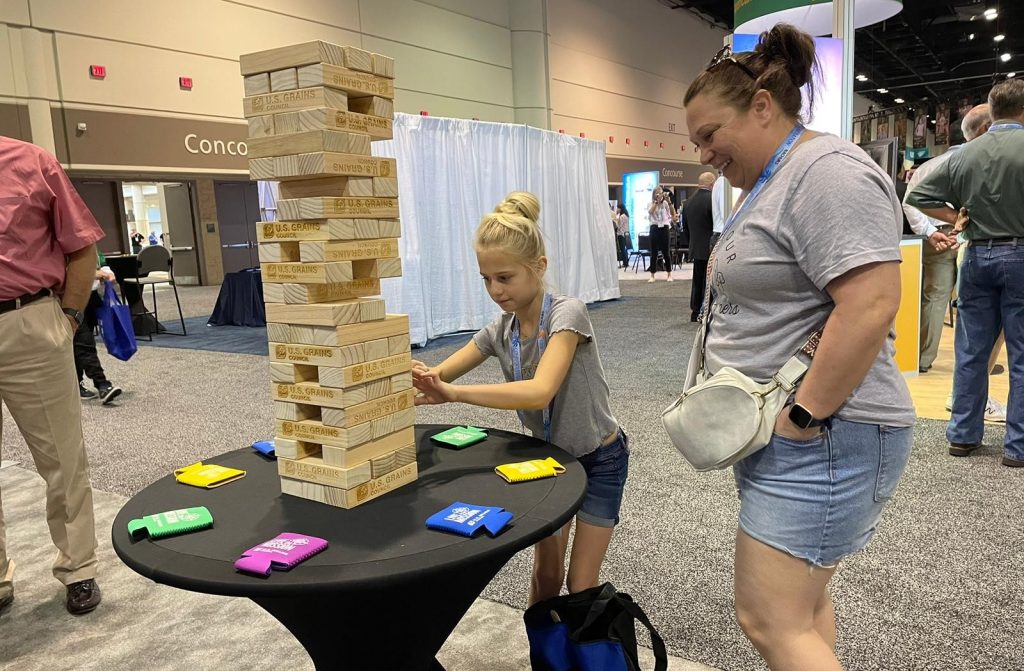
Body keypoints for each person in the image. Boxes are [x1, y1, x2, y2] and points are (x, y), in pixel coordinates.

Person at [683, 25, 914, 669]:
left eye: (710, 134)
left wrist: (804, 416)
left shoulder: (825, 173)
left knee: (769, 620)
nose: (704, 154)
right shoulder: (777, 178)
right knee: (803, 611)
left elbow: (870, 303)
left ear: (761, 107)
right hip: (801, 432)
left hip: (826, 432)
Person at [412, 191, 629, 605]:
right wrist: (400, 376)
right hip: (549, 461)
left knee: (581, 585)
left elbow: (539, 390)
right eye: (486, 279)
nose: (495, 290)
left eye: (505, 278)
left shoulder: (568, 313)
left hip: (600, 459)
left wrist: (453, 394)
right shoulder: (501, 330)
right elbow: (438, 374)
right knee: (546, 575)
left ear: (539, 267)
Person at [0, 136, 104, 616]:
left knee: (61, 456)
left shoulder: (30, 161)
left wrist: (68, 319)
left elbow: (82, 248)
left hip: (29, 323)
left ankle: (78, 568)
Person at [905, 79, 1024, 467]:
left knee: (971, 350)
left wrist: (956, 218)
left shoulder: (963, 154)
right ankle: (1017, 447)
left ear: (993, 110)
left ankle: (962, 436)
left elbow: (917, 196)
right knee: (1021, 355)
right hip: (1020, 255)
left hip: (975, 257)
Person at [903, 105, 993, 375]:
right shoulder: (980, 161)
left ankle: (923, 359)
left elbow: (911, 201)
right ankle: (975, 364)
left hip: (939, 238)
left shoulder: (931, 165)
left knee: (935, 299)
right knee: (976, 302)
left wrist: (930, 231)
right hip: (976, 238)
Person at [74, 253, 124, 405]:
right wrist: (95, 273)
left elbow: (99, 259)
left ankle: (76, 384)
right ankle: (102, 383)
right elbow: (65, 270)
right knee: (84, 342)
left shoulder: (89, 241)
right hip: (71, 297)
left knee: (79, 342)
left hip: (90, 296)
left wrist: (106, 270)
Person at [684, 172, 716, 322]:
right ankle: (706, 311)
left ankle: (695, 310)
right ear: (712, 184)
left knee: (697, 280)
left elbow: (685, 228)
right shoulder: (712, 200)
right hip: (710, 247)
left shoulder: (688, 202)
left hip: (695, 247)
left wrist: (691, 243)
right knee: (709, 281)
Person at [646, 187, 675, 282]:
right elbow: (650, 212)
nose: (659, 195)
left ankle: (669, 274)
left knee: (666, 252)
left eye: (661, 193)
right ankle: (652, 275)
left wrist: (669, 201)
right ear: (654, 194)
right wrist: (656, 202)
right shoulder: (650, 203)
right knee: (653, 253)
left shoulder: (666, 203)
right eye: (657, 193)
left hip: (664, 228)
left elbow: (672, 213)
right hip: (654, 228)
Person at [614, 204, 630, 269]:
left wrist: (615, 221)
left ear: (621, 208)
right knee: (624, 249)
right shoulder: (626, 215)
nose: (617, 209)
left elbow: (619, 225)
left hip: (621, 234)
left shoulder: (622, 216)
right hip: (625, 234)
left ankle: (625, 263)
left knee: (622, 249)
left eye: (618, 208)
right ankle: (625, 262)